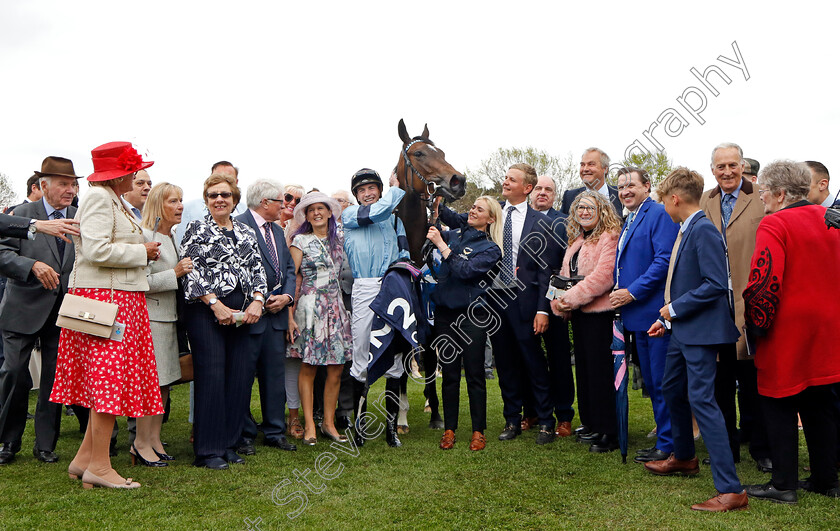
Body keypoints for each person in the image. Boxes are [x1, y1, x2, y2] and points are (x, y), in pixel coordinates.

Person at [49, 141, 163, 489]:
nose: (139, 175)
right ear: (121, 173)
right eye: (134, 170)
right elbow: (97, 250)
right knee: (108, 385)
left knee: (108, 383)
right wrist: (140, 251)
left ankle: (84, 460)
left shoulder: (112, 200)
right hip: (107, 304)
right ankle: (99, 465)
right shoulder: (101, 198)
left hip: (116, 300)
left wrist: (141, 252)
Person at [645, 167, 746, 512]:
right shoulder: (687, 228)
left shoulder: (702, 230)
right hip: (681, 330)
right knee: (672, 389)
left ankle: (732, 491)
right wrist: (667, 319)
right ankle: (685, 457)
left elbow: (716, 285)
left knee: (702, 401)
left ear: (675, 199)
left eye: (663, 201)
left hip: (701, 333)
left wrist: (674, 309)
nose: (664, 207)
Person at [743, 160, 840, 504]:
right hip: (829, 326)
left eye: (765, 193)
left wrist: (756, 326)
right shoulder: (831, 220)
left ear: (781, 194)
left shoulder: (775, 223)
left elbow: (765, 282)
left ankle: (784, 483)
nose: (762, 200)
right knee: (821, 404)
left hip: (787, 328)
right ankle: (827, 478)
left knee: (778, 402)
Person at [181, 173, 267, 470]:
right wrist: (215, 305)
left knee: (240, 378)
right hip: (207, 311)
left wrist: (258, 299)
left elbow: (258, 268)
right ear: (206, 200)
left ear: (234, 200)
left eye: (225, 195)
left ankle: (229, 444)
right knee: (213, 376)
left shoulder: (246, 231)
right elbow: (192, 271)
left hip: (244, 314)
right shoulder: (196, 228)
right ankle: (208, 451)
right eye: (213, 195)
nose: (219, 199)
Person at [0, 156, 80, 465]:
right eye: (63, 183)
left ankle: (45, 444)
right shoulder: (21, 215)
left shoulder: (81, 217)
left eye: (73, 184)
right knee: (14, 375)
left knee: (54, 378)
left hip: (66, 312)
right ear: (43, 185)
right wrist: (30, 264)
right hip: (23, 309)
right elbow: (3, 254)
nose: (69, 190)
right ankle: (7, 441)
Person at [699, 142, 768, 471]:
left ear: (742, 166)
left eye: (732, 165)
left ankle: (761, 448)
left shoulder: (760, 198)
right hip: (713, 307)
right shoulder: (705, 201)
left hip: (750, 304)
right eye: (720, 166)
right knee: (720, 384)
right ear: (712, 169)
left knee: (754, 383)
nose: (727, 172)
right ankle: (726, 447)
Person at [609, 167, 679, 463]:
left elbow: (664, 260)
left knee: (662, 381)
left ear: (647, 186)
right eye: (621, 187)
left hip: (655, 314)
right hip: (636, 316)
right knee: (651, 382)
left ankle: (670, 444)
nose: (625, 191)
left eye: (631, 185)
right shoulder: (630, 219)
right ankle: (665, 438)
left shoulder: (659, 213)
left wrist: (632, 292)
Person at [491, 163, 558, 445]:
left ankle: (545, 421)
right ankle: (512, 419)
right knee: (504, 363)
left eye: (512, 179)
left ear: (527, 187)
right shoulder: (492, 216)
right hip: (495, 300)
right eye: (505, 177)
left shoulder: (541, 223)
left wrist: (543, 308)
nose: (505, 182)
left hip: (527, 301)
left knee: (534, 362)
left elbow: (547, 272)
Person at [342, 168, 410, 447]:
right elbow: (376, 212)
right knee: (360, 352)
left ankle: (391, 429)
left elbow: (405, 255)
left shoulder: (395, 222)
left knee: (394, 355)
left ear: (379, 190)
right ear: (356, 195)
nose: (367, 193)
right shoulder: (349, 216)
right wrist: (397, 187)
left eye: (373, 188)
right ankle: (360, 427)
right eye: (362, 190)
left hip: (391, 286)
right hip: (364, 286)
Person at [551, 190, 621, 452]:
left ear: (602, 209)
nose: (584, 212)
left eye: (590, 207)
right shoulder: (577, 240)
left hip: (600, 315)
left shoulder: (609, 236)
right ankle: (591, 422)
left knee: (601, 374)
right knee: (585, 372)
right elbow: (564, 275)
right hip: (579, 315)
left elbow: (604, 276)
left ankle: (608, 431)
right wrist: (557, 301)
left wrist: (571, 298)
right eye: (580, 208)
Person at [430, 196, 502, 452]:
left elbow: (465, 271)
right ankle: (449, 429)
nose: (472, 210)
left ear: (490, 219)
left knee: (474, 374)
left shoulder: (492, 248)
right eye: (472, 207)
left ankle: (478, 431)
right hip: (445, 314)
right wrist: (436, 204)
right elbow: (443, 220)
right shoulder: (455, 234)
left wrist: (442, 244)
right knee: (449, 374)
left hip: (474, 316)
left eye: (479, 209)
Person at [235, 180, 297, 453]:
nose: (284, 206)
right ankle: (244, 433)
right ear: (264, 203)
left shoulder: (277, 230)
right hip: (249, 317)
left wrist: (287, 297)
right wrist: (257, 301)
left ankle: (274, 431)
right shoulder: (238, 225)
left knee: (274, 377)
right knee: (244, 377)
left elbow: (288, 269)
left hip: (276, 317)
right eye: (279, 201)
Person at [286, 192, 352, 445]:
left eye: (320, 208)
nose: (316, 213)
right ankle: (310, 425)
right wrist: (290, 316)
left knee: (336, 369)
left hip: (336, 308)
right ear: (306, 215)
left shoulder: (340, 240)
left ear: (329, 212)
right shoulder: (300, 240)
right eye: (311, 209)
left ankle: (329, 423)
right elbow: (294, 279)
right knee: (309, 366)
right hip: (310, 309)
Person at [134, 183, 192, 466]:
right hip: (151, 319)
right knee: (152, 385)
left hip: (170, 319)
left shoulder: (172, 237)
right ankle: (140, 443)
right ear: (158, 205)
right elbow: (138, 283)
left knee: (166, 382)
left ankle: (154, 439)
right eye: (173, 201)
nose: (180, 206)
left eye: (181, 200)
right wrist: (175, 273)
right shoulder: (144, 236)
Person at [527, 175, 574, 437]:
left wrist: (557, 301)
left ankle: (564, 415)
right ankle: (532, 411)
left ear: (555, 196)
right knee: (529, 360)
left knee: (559, 359)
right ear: (531, 191)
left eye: (549, 190)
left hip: (554, 299)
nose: (543, 193)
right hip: (523, 300)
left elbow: (565, 266)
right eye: (539, 188)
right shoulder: (518, 218)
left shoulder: (564, 222)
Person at [175, 161, 244, 246]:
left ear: (236, 182)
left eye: (225, 195)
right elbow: (181, 245)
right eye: (217, 177)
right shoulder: (190, 209)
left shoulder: (245, 212)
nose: (219, 199)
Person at [560, 147, 623, 216]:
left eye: (591, 164)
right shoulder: (570, 197)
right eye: (582, 165)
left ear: (605, 169)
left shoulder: (620, 193)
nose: (585, 169)